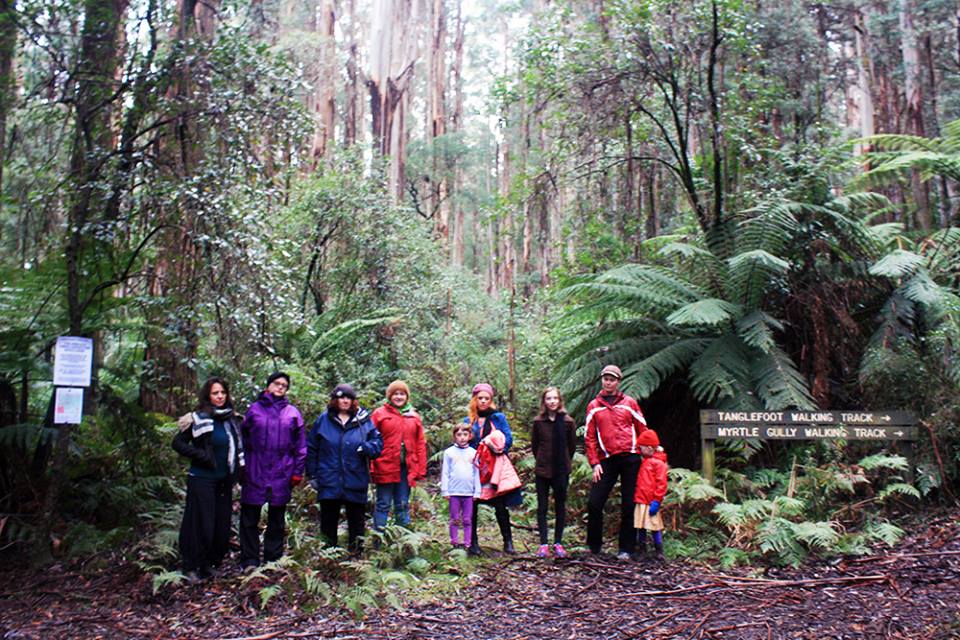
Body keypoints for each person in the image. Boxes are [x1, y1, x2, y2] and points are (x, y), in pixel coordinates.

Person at [173, 377, 245, 583]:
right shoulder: (196, 418)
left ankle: (207, 564)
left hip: (223, 480)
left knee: (219, 525)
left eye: (223, 392)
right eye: (215, 393)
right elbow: (177, 443)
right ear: (208, 396)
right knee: (199, 523)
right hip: (202, 479)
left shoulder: (232, 419)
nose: (220, 396)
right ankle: (190, 566)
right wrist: (200, 455)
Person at [239, 372, 306, 570]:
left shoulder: (292, 413)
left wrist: (297, 472)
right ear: (268, 385)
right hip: (255, 469)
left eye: (284, 385)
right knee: (249, 517)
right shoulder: (254, 410)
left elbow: (301, 447)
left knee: (277, 518)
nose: (280, 387)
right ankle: (250, 560)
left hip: (281, 471)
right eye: (276, 383)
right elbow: (242, 439)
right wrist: (242, 467)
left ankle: (272, 558)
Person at [306, 384, 383, 552]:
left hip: (355, 479)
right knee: (328, 522)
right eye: (342, 397)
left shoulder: (363, 421)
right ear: (335, 400)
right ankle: (329, 557)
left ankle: (356, 557)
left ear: (353, 401)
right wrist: (312, 474)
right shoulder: (323, 420)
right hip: (329, 479)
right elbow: (312, 448)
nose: (345, 401)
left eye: (349, 398)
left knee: (356, 522)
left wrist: (367, 448)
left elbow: (377, 444)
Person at [584, 364, 649, 559]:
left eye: (612, 379)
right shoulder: (594, 406)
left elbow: (643, 429)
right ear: (602, 380)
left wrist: (649, 456)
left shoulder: (629, 403)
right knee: (595, 503)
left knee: (629, 504)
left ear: (618, 382)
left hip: (631, 458)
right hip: (606, 460)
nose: (608, 382)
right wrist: (594, 462)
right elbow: (589, 437)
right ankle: (594, 546)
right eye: (606, 378)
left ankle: (626, 548)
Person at [464, 383, 519, 555]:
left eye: (486, 398)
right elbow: (463, 440)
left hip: (495, 467)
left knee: (500, 504)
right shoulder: (469, 421)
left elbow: (508, 439)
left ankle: (508, 542)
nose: (483, 401)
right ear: (475, 399)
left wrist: (493, 445)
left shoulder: (498, 418)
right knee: (472, 505)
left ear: (491, 400)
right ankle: (472, 543)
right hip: (476, 467)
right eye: (480, 398)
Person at [370, 380, 427, 531]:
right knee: (383, 503)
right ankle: (378, 537)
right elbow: (370, 439)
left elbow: (420, 443)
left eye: (402, 394)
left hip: (406, 468)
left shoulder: (414, 417)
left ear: (407, 397)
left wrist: (421, 469)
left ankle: (402, 540)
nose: (399, 397)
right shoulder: (379, 414)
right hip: (385, 465)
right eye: (395, 394)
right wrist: (371, 464)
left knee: (402, 503)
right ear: (390, 396)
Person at [530, 386, 576, 558]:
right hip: (543, 470)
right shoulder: (538, 422)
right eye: (548, 399)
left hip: (561, 469)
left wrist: (563, 461)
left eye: (555, 398)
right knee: (542, 507)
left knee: (560, 506)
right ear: (544, 401)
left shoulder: (568, 422)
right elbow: (535, 445)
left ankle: (558, 542)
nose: (552, 401)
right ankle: (543, 543)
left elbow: (571, 447)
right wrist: (543, 459)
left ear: (560, 400)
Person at [440, 424, 481, 549]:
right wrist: (445, 490)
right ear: (454, 436)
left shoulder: (473, 453)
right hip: (454, 492)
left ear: (470, 436)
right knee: (454, 519)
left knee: (467, 519)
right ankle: (454, 542)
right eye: (459, 435)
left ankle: (467, 543)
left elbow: (476, 473)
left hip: (468, 492)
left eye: (465, 435)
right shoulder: (449, 453)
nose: (462, 438)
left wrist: (477, 492)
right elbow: (445, 472)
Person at [633, 429, 668, 563]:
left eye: (641, 448)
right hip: (641, 500)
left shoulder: (658, 463)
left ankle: (659, 551)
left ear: (648, 448)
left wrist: (657, 500)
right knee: (640, 526)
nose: (639, 450)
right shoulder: (645, 460)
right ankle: (642, 550)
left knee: (655, 526)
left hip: (651, 501)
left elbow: (661, 484)